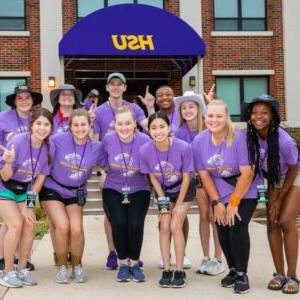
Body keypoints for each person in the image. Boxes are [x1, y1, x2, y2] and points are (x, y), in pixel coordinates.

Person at [192, 100, 259, 294]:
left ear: (227, 117)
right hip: (218, 189)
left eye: (219, 116)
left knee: (236, 224)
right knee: (221, 225)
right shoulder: (199, 141)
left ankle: (241, 273)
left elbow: (248, 173)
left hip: (244, 188)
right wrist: (216, 203)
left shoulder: (240, 137)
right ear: (205, 118)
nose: (214, 120)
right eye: (210, 116)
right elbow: (204, 174)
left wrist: (234, 203)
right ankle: (231, 269)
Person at [39, 109, 104, 284]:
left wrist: (104, 174)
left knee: (76, 229)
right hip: (53, 187)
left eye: (83, 124)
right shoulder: (56, 140)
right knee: (62, 226)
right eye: (75, 125)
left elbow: (108, 165)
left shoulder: (96, 147)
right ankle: (61, 267)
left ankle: (76, 266)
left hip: (76, 190)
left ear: (90, 125)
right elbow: (38, 151)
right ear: (69, 127)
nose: (80, 128)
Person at [243, 94, 300, 294]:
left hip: (294, 176)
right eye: (255, 112)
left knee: (285, 220)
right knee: (272, 221)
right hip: (273, 180)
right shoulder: (251, 136)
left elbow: (293, 169)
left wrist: (279, 198)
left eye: (264, 112)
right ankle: (279, 274)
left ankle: (293, 276)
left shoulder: (284, 141)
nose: (259, 116)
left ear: (273, 116)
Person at [94, 72, 150, 270]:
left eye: (120, 84)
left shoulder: (134, 108)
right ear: (107, 87)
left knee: (132, 221)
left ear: (125, 87)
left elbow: (148, 126)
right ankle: (113, 253)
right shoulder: (99, 111)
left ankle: (131, 256)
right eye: (112, 84)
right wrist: (102, 173)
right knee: (113, 218)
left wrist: (151, 110)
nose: (116, 87)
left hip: (135, 177)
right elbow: (94, 141)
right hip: (111, 171)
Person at [139, 112, 195, 288]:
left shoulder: (183, 147)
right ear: (149, 131)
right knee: (164, 226)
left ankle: (179, 270)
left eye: (162, 126)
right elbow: (153, 178)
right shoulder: (145, 150)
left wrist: (178, 205)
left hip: (183, 190)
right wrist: (162, 200)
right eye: (153, 128)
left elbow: (187, 178)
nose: (158, 131)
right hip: (163, 190)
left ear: (169, 127)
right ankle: (167, 267)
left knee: (175, 225)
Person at [0, 107, 52, 288]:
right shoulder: (18, 142)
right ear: (31, 125)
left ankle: (22, 269)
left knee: (30, 222)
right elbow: (5, 176)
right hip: (4, 186)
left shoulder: (47, 149)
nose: (42, 128)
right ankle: (6, 272)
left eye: (46, 124)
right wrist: (8, 162)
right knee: (15, 224)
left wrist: (30, 205)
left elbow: (39, 180)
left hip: (24, 189)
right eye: (38, 123)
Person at [174, 91, 224, 276]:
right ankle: (205, 257)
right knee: (204, 216)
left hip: (214, 178)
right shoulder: (179, 131)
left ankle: (218, 258)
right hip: (194, 179)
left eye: (191, 106)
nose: (187, 110)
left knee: (215, 217)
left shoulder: (210, 127)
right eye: (184, 107)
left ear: (199, 108)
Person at [101, 106, 151, 282]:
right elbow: (101, 159)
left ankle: (135, 263)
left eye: (128, 123)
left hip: (139, 188)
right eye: (120, 124)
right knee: (119, 223)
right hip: (113, 188)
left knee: (135, 224)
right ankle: (123, 263)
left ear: (135, 123)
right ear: (114, 124)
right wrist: (105, 173)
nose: (124, 127)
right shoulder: (108, 139)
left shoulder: (145, 140)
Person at [0, 85, 43, 272]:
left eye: (28, 97)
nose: (24, 100)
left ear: (33, 101)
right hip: (5, 176)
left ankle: (20, 259)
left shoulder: (37, 121)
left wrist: (31, 204)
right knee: (12, 223)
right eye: (20, 98)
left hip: (26, 183)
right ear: (14, 101)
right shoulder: (3, 118)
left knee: (26, 220)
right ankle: (3, 258)